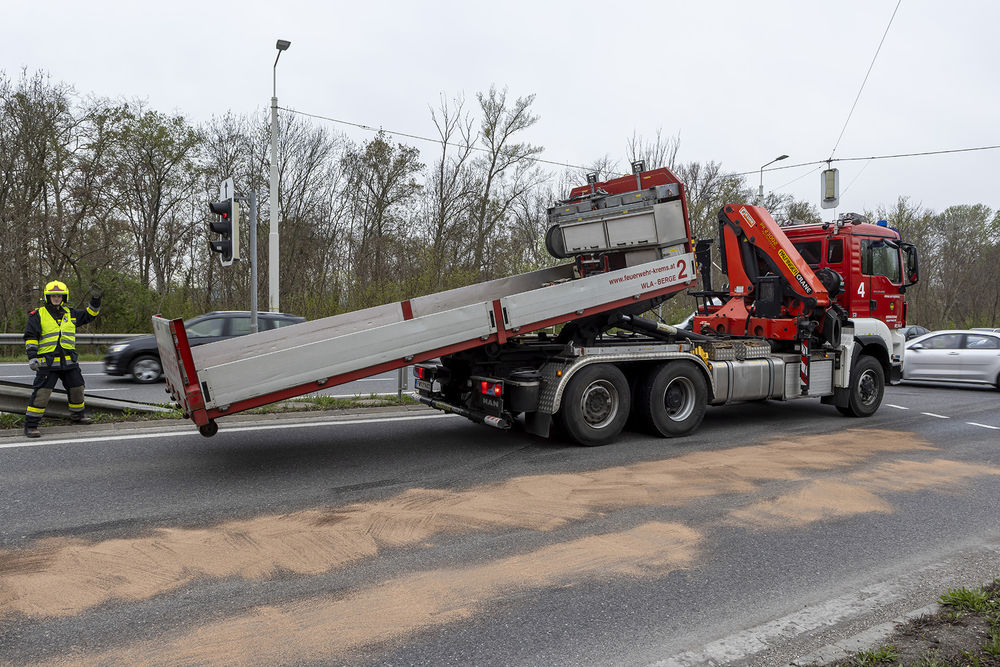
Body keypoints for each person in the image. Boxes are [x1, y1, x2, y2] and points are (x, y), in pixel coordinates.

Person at [22, 281, 102, 438]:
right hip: (48, 363)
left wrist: (95, 299)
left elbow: (90, 315)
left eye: (59, 295)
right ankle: (31, 425)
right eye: (53, 295)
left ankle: (77, 416)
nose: (56, 298)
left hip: (69, 362)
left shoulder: (71, 313)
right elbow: (31, 337)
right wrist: (32, 357)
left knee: (77, 388)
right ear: (48, 297)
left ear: (64, 297)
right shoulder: (38, 314)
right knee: (42, 394)